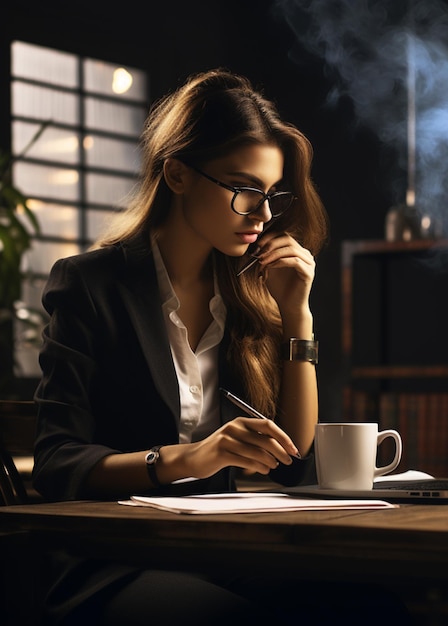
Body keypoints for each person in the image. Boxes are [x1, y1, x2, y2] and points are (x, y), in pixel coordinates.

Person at [32, 68, 412, 625]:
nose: (261, 215)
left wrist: (297, 316)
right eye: (244, 190)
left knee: (372, 607)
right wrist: (194, 456)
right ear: (178, 175)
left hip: (221, 548)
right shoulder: (91, 285)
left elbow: (292, 460)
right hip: (113, 559)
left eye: (270, 195)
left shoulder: (247, 295)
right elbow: (56, 461)